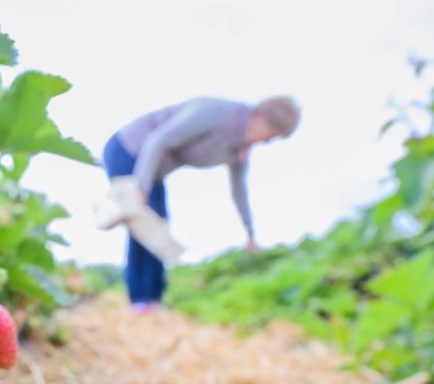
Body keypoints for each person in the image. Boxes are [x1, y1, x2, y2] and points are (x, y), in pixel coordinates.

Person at [100, 95, 300, 312]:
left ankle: (154, 299)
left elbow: (239, 190)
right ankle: (140, 300)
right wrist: (142, 188)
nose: (266, 142)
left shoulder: (239, 148)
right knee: (145, 226)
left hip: (155, 170)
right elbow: (158, 140)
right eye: (269, 136)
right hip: (129, 150)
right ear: (260, 117)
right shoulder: (216, 112)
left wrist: (249, 231)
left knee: (161, 225)